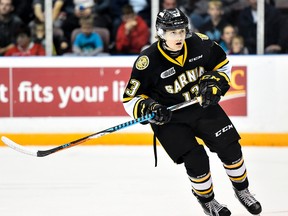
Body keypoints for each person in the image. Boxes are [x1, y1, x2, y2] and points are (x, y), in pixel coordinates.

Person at [122, 8, 262, 215]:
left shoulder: (200, 43)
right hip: (170, 119)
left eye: (181, 31)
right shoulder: (148, 61)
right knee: (197, 160)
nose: (179, 37)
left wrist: (214, 85)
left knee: (230, 148)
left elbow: (222, 67)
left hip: (202, 107)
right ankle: (208, 201)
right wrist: (150, 108)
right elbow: (130, 99)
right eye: (172, 33)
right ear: (161, 33)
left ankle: (243, 190)